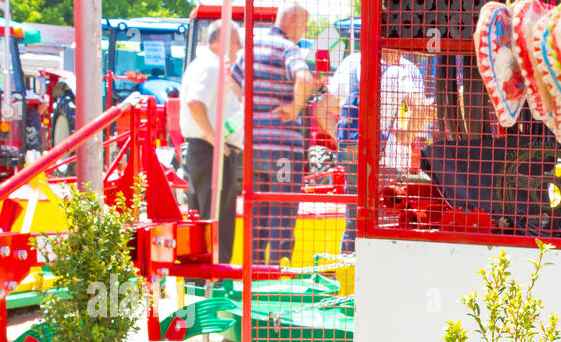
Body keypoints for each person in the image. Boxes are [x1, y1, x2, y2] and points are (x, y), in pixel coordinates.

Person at [316, 48, 430, 253]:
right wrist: (405, 136)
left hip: (355, 157)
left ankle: (349, 275)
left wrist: (343, 141)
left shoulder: (352, 63)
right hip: (391, 160)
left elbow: (323, 109)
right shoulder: (405, 70)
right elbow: (421, 109)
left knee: (355, 222)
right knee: (387, 225)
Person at [232, 1, 314, 266]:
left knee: (257, 211)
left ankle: (253, 272)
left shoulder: (249, 48)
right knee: (283, 209)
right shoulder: (289, 49)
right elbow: (305, 79)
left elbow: (231, 81)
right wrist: (295, 107)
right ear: (292, 21)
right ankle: (278, 274)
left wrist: (248, 109)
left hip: (253, 149)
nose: (304, 31)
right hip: (283, 152)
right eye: (304, 24)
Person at [180, 21, 242, 263]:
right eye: (237, 41)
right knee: (216, 221)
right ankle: (213, 280)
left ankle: (204, 281)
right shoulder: (211, 66)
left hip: (208, 149)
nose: (240, 47)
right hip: (211, 151)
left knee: (207, 218)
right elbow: (196, 102)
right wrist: (214, 139)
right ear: (221, 40)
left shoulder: (209, 64)